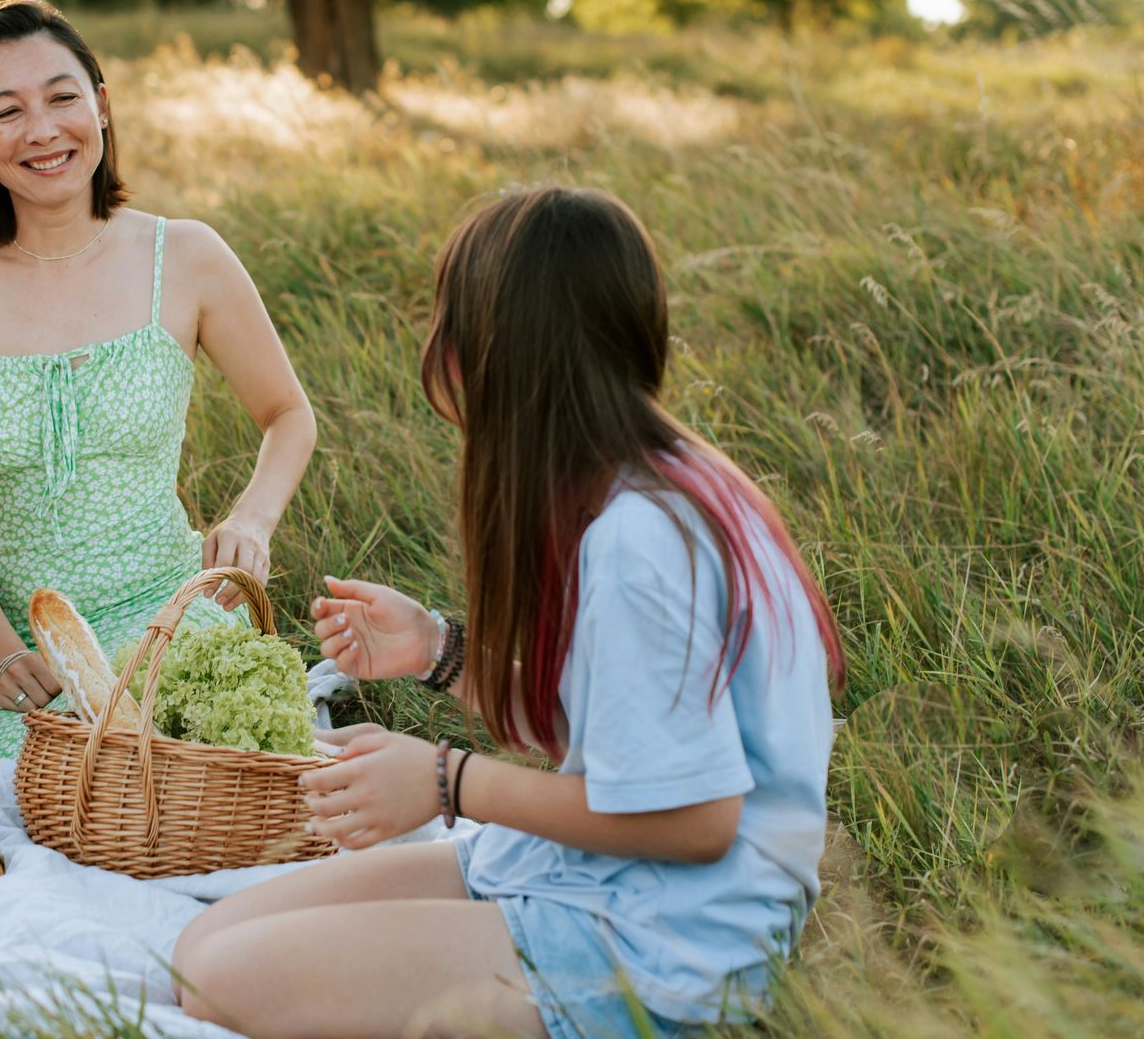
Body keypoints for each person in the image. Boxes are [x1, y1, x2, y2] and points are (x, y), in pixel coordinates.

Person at [173, 186, 846, 1039]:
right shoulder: (661, 481)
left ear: (494, 354)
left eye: (449, 320)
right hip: (598, 875)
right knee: (199, 952)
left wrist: (446, 782)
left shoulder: (639, 541)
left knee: (223, 984)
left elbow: (697, 820)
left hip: (666, 944)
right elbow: (627, 742)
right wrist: (439, 651)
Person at [0, 0, 317, 757]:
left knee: (223, 779)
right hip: (29, 647)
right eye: (8, 112)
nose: (44, 130)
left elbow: (289, 413)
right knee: (50, 813)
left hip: (174, 614)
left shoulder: (185, 257)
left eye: (63, 97)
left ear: (102, 108)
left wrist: (251, 520)